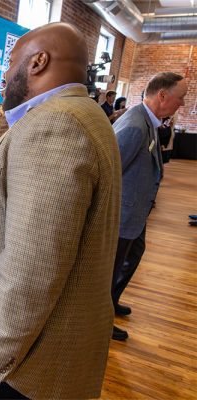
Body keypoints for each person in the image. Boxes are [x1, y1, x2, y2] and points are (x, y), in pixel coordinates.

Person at [0, 23, 121, 399]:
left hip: (11, 370)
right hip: (34, 357)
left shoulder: (56, 123)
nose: (3, 75)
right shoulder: (87, 115)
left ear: (37, 62)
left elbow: (33, 268)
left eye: (10, 63)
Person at [111, 72, 187, 340]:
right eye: (181, 98)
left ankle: (111, 302)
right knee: (112, 267)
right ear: (163, 95)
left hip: (136, 212)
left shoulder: (149, 121)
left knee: (134, 255)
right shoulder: (135, 125)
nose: (182, 104)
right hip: (122, 214)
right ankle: (101, 318)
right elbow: (110, 172)